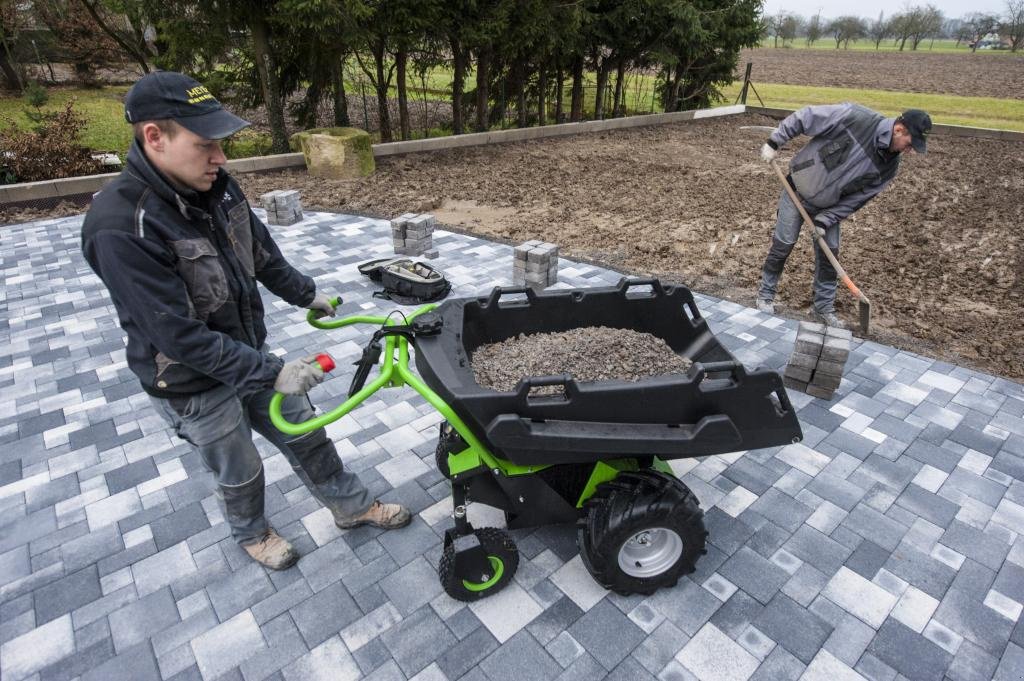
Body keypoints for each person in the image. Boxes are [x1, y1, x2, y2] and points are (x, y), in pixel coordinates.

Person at [81, 71, 410, 570]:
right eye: (204, 144)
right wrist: (269, 372)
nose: (221, 157)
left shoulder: (218, 188)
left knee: (306, 430)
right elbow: (178, 335)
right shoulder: (122, 226)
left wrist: (307, 294)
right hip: (190, 380)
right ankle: (252, 533)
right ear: (154, 137)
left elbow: (262, 255)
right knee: (240, 465)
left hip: (246, 355)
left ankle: (352, 507)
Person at [755, 103, 932, 328]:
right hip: (796, 190)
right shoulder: (855, 117)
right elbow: (806, 116)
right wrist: (775, 141)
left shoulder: (889, 167)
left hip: (828, 209)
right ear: (899, 130)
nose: (910, 151)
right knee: (783, 244)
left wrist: (826, 220)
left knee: (830, 257)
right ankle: (765, 295)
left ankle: (823, 309)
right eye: (910, 144)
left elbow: (856, 200)